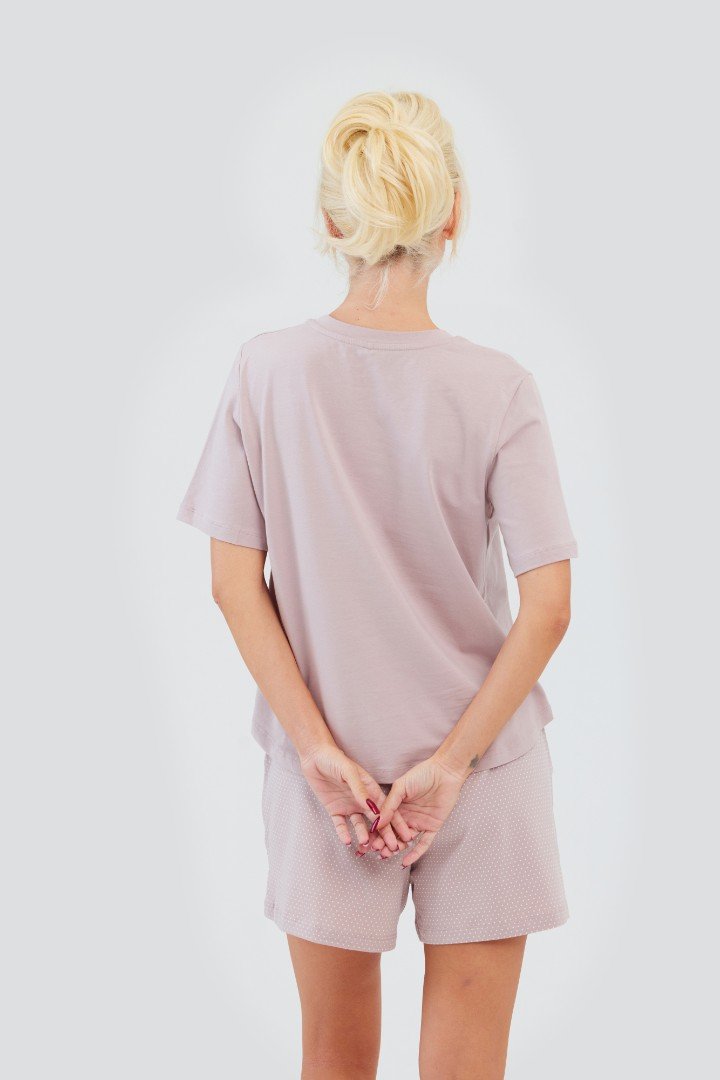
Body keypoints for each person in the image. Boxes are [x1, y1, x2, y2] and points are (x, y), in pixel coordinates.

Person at [176, 89, 578, 1080]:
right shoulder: (499, 386)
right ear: (453, 216)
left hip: (329, 780)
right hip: (486, 767)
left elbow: (233, 584)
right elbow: (550, 605)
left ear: (330, 219)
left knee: (332, 1060)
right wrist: (452, 764)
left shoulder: (266, 372)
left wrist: (317, 751)